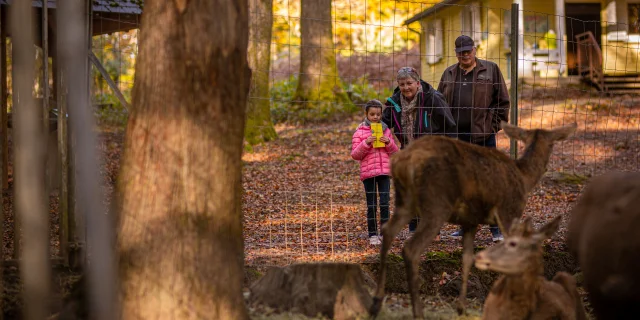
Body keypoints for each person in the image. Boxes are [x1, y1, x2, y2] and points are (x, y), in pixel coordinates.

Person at [437, 35, 510, 242]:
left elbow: (502, 101)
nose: (465, 55)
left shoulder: (491, 69)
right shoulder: (449, 73)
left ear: (475, 50)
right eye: (461, 52)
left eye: (468, 51)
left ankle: (496, 229)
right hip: (456, 139)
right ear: (456, 53)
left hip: (483, 137)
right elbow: (439, 103)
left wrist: (491, 126)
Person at [382, 66, 456, 234]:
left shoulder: (433, 98)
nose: (406, 87)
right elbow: (384, 122)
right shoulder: (395, 102)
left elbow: (449, 125)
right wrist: (366, 126)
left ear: (417, 82)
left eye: (409, 83)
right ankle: (414, 229)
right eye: (402, 84)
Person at [351, 100, 400, 245]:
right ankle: (372, 234)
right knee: (371, 205)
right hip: (368, 174)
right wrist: (366, 143)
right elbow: (355, 155)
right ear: (366, 114)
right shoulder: (360, 132)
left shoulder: (386, 130)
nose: (375, 117)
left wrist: (388, 143)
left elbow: (395, 153)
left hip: (384, 172)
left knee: (384, 203)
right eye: (372, 114)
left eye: (378, 114)